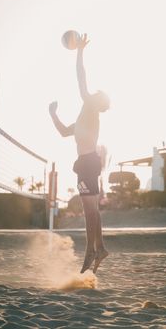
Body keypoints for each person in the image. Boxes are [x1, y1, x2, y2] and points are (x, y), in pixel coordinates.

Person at [49, 33, 110, 274]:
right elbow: (64, 132)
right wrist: (53, 114)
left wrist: (80, 52)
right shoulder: (84, 118)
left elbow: (81, 78)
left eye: (96, 93)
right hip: (88, 163)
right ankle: (101, 248)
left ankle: (90, 251)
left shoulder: (91, 107)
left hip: (87, 164)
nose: (91, 92)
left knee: (90, 212)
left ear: (97, 100)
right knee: (93, 210)